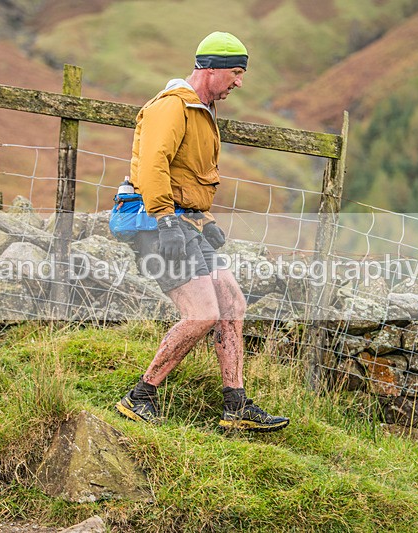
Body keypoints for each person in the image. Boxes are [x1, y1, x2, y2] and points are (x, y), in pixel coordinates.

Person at [114, 31, 289, 432]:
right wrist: (165, 219)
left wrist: (205, 221)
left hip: (185, 222)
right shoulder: (171, 107)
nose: (239, 82)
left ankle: (236, 406)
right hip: (157, 223)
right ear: (210, 68)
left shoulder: (202, 112)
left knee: (232, 304)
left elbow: (187, 176)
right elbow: (152, 166)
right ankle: (140, 396)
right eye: (235, 72)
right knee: (202, 314)